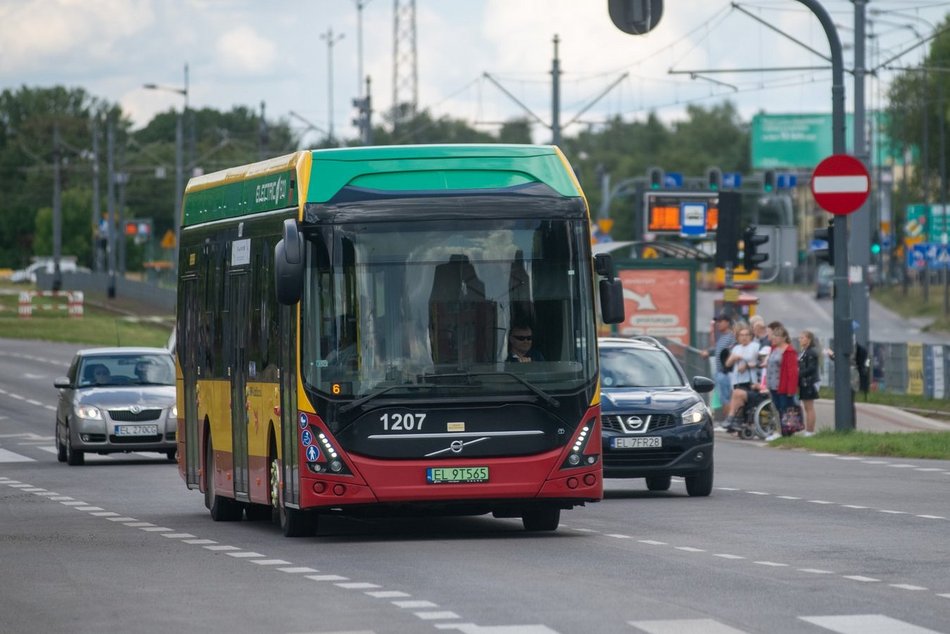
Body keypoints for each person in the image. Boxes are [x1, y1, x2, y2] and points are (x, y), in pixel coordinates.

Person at [764, 324, 800, 441]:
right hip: (773, 385)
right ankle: (779, 431)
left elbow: (792, 372)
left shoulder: (789, 351)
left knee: (786, 409)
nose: (774, 338)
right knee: (777, 408)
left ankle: (786, 433)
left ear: (784, 338)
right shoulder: (774, 349)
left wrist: (791, 389)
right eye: (773, 335)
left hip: (782, 386)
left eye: (777, 336)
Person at [722, 324, 760, 432]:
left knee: (740, 398)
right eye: (741, 335)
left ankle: (733, 419)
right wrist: (733, 358)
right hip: (737, 380)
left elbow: (752, 358)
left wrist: (740, 357)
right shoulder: (737, 348)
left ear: (751, 336)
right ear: (738, 337)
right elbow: (727, 364)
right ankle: (735, 421)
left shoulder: (754, 346)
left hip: (749, 380)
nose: (744, 337)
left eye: (746, 335)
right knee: (736, 401)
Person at [700, 312, 736, 422]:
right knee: (723, 398)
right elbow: (717, 349)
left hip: (726, 373)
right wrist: (708, 352)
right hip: (720, 372)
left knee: (726, 399)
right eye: (717, 322)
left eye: (720, 321)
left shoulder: (731, 337)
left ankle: (729, 422)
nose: (718, 324)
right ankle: (727, 422)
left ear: (727, 323)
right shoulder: (722, 337)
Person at [797, 330, 821, 437]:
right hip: (804, 382)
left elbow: (811, 368)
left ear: (809, 339)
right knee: (807, 407)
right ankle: (808, 430)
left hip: (809, 382)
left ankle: (810, 431)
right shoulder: (804, 352)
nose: (800, 340)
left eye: (802, 338)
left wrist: (799, 373)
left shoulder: (811, 352)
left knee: (809, 407)